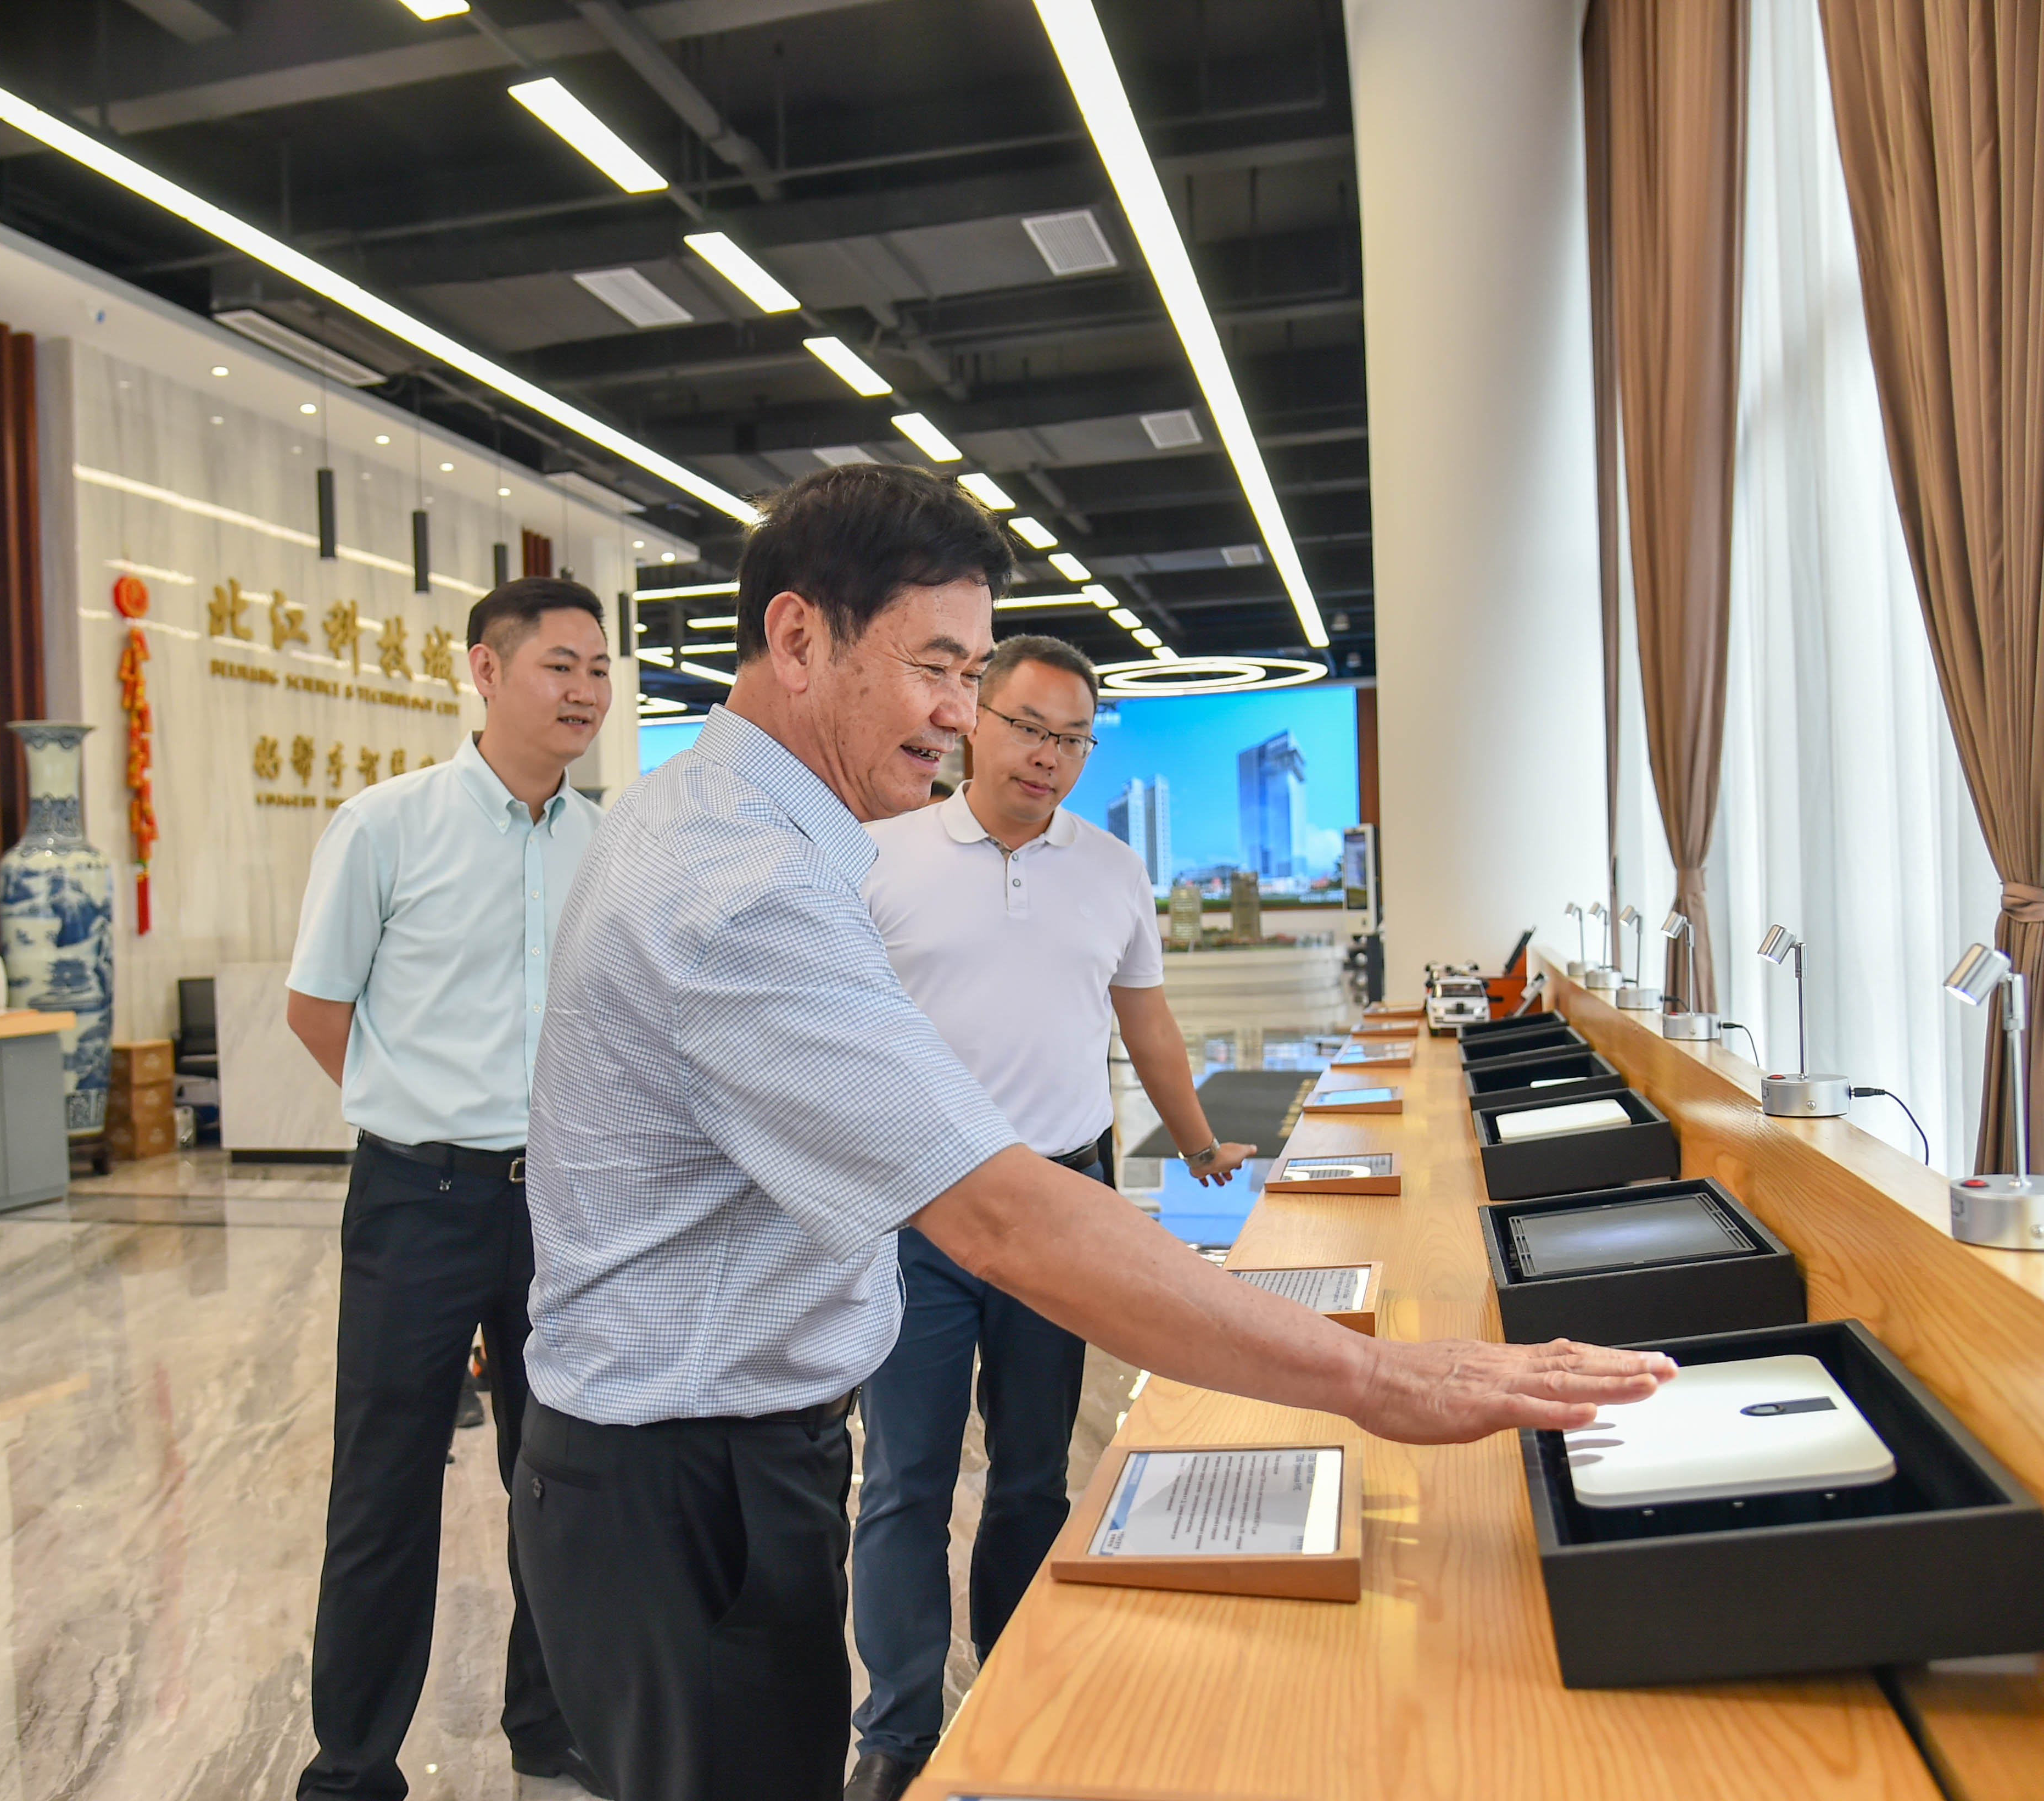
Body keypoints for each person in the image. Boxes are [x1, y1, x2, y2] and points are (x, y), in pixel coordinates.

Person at [512, 463, 1673, 1801]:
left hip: (705, 1457)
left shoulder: (739, 828)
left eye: (972, 675)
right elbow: (1001, 1215)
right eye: (936, 669)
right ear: (796, 637)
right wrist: (1377, 1379)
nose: (959, 716)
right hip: (682, 1483)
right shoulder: (740, 882)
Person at [845, 633, 1255, 1801]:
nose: (1049, 756)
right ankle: (896, 1729)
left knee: (1032, 1473)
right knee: (906, 1479)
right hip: (920, 1212)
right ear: (973, 718)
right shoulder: (879, 854)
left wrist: (1196, 1141)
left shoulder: (1111, 869)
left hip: (1065, 1204)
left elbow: (1146, 1020)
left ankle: (1019, 1689)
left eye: (1072, 740)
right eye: (1028, 728)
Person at [287, 577, 614, 1800]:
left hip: (563, 1206)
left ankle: (551, 1723)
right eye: (559, 666)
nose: (585, 691)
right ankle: (352, 1762)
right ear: (485, 670)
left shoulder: (604, 844)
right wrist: (423, 1116)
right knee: (383, 1483)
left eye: (599, 669)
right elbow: (318, 1009)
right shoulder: (385, 826)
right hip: (415, 1202)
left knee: (563, 1474)